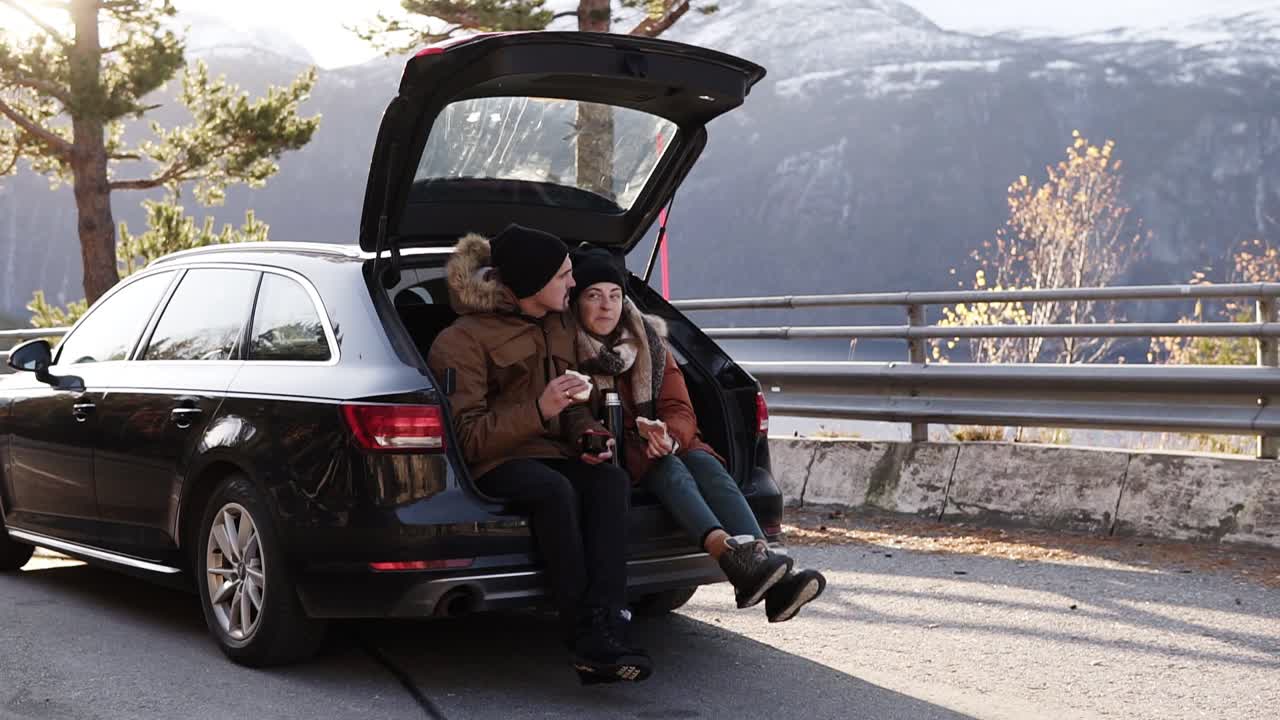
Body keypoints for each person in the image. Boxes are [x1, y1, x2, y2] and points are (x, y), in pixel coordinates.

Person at [427, 225, 651, 685]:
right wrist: (539, 408)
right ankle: (584, 632)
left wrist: (588, 434)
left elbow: (568, 407)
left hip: (549, 452)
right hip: (495, 462)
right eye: (564, 276)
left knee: (610, 480)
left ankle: (610, 621)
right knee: (554, 489)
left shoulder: (557, 325)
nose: (573, 285)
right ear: (532, 284)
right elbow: (467, 441)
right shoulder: (460, 341)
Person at [569, 246, 826, 623]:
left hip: (661, 445)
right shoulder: (564, 347)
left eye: (614, 295)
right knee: (671, 468)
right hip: (617, 454)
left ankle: (764, 569)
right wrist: (639, 431)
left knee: (703, 460)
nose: (606, 306)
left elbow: (680, 408)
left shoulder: (651, 345)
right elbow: (574, 414)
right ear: (576, 302)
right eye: (593, 296)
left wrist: (667, 435)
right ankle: (733, 559)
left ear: (625, 301)